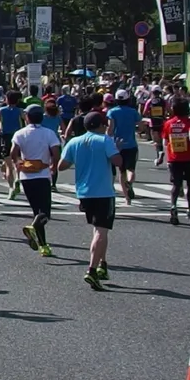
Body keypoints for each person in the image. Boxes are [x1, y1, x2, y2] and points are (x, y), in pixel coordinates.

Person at [60, 112, 123, 290]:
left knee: (99, 230)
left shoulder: (75, 142)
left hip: (84, 192)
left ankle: (103, 265)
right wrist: (117, 148)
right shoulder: (105, 140)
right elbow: (117, 161)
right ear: (101, 125)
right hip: (103, 191)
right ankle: (92, 270)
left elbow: (61, 166)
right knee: (101, 231)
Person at [11, 104, 63, 259]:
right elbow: (56, 153)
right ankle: (34, 230)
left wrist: (18, 163)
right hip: (43, 174)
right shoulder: (49, 133)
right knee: (45, 212)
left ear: (27, 117)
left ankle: (43, 245)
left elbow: (13, 153)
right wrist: (54, 166)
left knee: (37, 212)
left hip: (26, 176)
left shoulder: (20, 133)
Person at [162, 99, 190, 224]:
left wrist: (165, 156)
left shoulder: (168, 123)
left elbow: (165, 142)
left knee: (176, 184)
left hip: (174, 158)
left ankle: (173, 205)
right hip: (188, 157)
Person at [106, 94, 142, 204]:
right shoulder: (133, 112)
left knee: (122, 172)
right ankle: (130, 183)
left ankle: (127, 198)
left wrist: (108, 135)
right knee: (131, 169)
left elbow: (110, 129)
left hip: (118, 145)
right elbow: (141, 127)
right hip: (131, 144)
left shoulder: (112, 112)